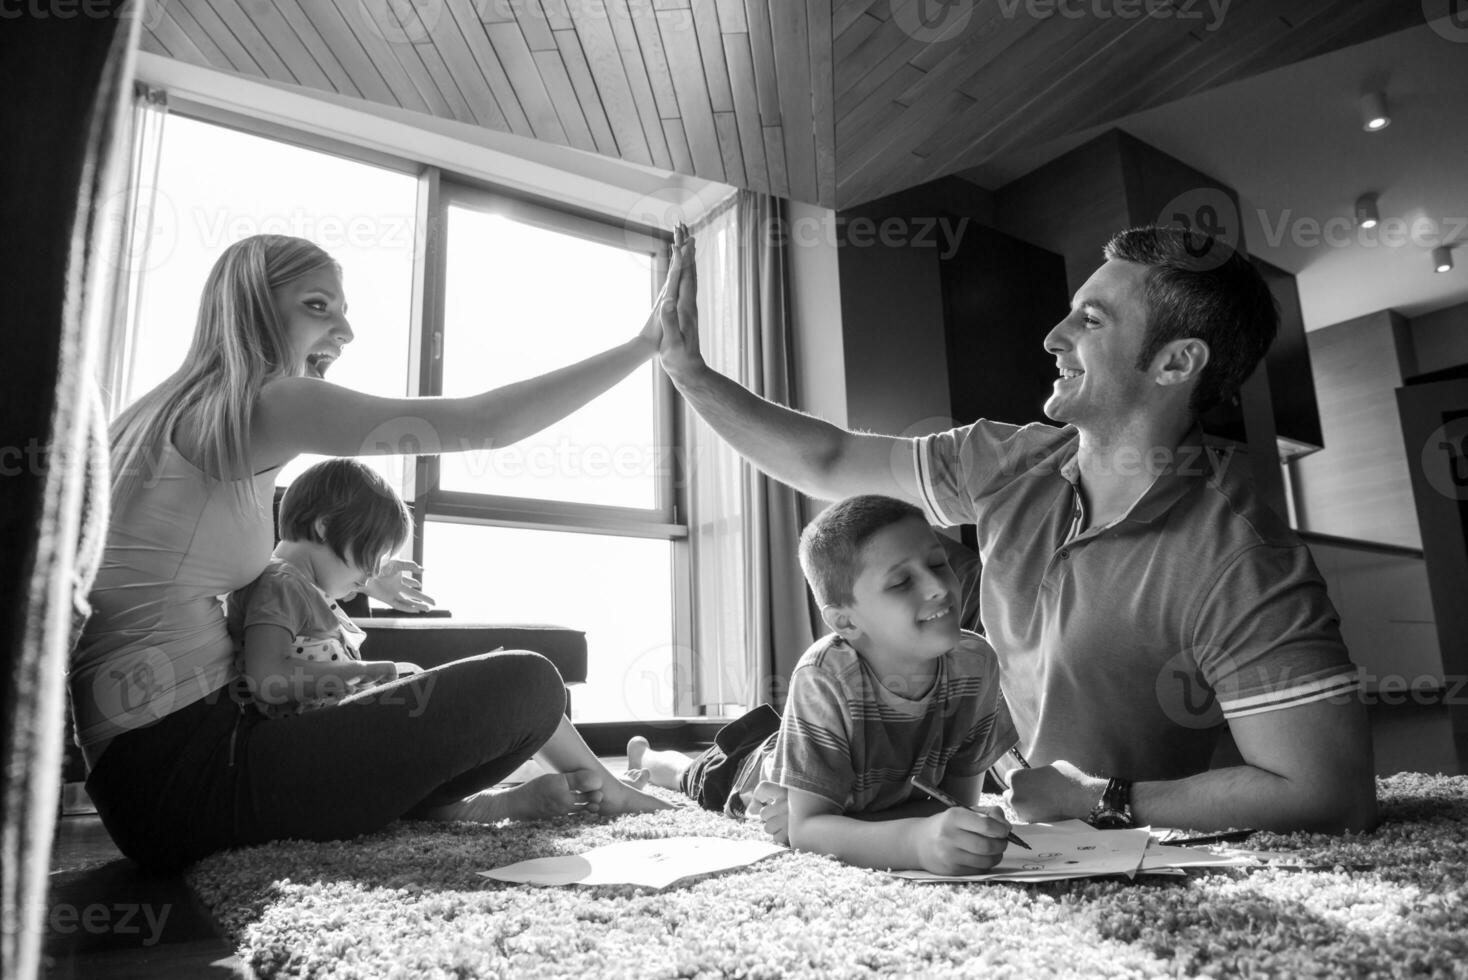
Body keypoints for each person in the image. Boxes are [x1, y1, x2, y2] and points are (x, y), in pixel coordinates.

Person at [654, 225, 1378, 837]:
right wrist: (686, 370)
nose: (1053, 336)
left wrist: (1104, 797)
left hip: (1019, 814)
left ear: (1177, 361)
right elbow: (831, 458)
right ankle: (674, 762)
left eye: (1092, 321)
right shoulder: (1009, 459)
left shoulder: (1239, 552)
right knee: (735, 777)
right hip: (931, 762)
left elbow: (1327, 790)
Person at [71, 230, 690, 870]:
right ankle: (580, 793)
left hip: (142, 781)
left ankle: (492, 802)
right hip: (191, 774)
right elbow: (487, 423)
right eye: (318, 306)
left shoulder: (151, 419)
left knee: (494, 704)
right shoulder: (266, 402)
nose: (344, 330)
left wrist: (366, 585)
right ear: (253, 303)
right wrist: (643, 346)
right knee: (530, 684)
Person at [627, 495, 1018, 874]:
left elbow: (956, 803)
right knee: (693, 777)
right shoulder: (824, 675)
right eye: (901, 582)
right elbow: (806, 830)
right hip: (755, 768)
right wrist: (914, 841)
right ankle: (645, 757)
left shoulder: (976, 663)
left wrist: (846, 822)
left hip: (835, 767)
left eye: (939, 563)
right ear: (846, 622)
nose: (937, 586)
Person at [229, 457, 420, 716]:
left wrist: (366, 582)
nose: (371, 573)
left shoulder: (298, 587)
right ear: (325, 528)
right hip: (293, 741)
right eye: (371, 557)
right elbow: (266, 676)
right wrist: (359, 672)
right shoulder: (281, 585)